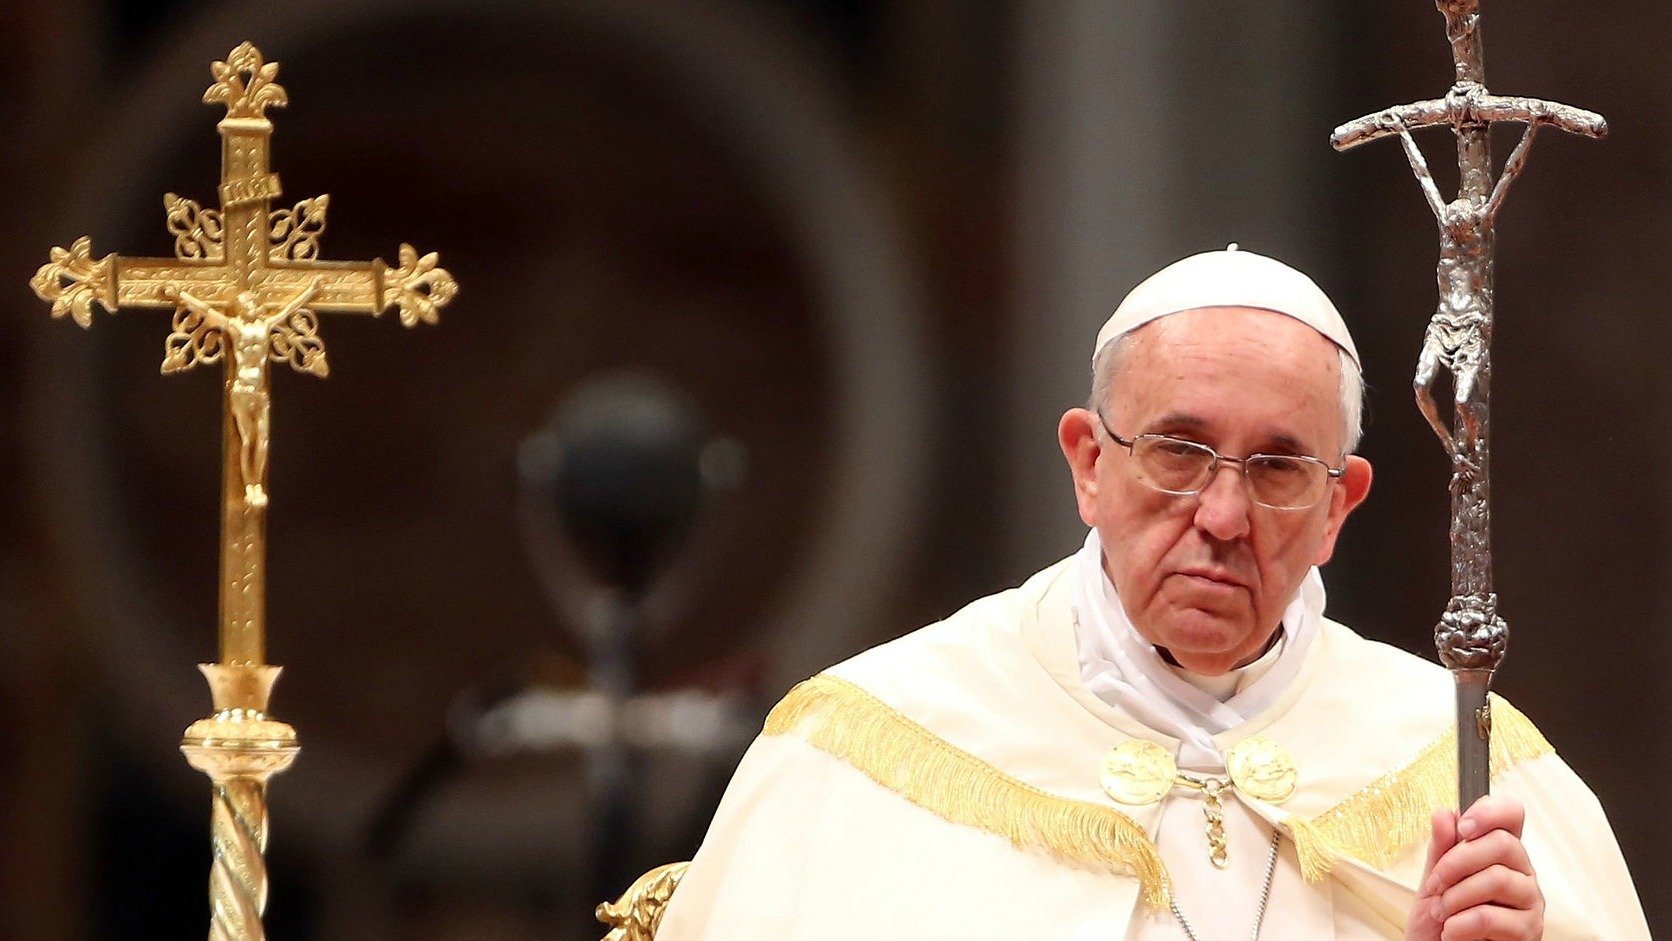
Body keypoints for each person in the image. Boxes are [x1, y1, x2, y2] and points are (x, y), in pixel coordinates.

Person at [649, 248, 1649, 940]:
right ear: (1088, 461)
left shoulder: (1477, 778)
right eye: (1178, 450)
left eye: (1277, 467)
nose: (1221, 514)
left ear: (1339, 503)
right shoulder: (865, 754)